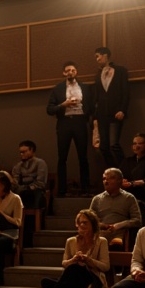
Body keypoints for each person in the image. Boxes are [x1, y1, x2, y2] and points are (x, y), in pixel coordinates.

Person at [41, 209, 109, 288]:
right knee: (54, 277)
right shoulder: (71, 241)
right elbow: (64, 263)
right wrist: (73, 259)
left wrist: (89, 260)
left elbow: (105, 266)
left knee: (69, 274)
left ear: (93, 224)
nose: (82, 225)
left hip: (92, 278)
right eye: (80, 222)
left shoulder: (101, 242)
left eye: (85, 222)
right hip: (73, 280)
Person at [46, 61, 95, 196]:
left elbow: (91, 106)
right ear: (64, 73)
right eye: (67, 70)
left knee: (83, 157)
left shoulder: (85, 88)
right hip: (64, 123)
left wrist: (85, 112)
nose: (70, 72)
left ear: (76, 72)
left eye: (73, 70)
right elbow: (49, 109)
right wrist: (63, 104)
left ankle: (85, 188)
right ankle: (61, 190)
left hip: (80, 122)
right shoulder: (58, 89)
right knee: (62, 158)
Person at [92, 47, 129, 168]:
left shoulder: (120, 70)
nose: (97, 59)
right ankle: (113, 172)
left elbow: (125, 91)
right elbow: (97, 96)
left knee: (114, 145)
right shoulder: (98, 74)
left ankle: (125, 171)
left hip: (116, 112)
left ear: (106, 55)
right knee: (103, 147)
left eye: (98, 56)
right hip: (102, 114)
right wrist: (95, 117)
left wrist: (123, 110)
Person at [89, 167, 142, 249]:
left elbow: (137, 220)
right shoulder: (97, 199)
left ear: (119, 180)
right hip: (100, 234)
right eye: (104, 179)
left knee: (116, 243)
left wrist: (118, 225)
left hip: (120, 233)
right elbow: (90, 220)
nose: (106, 182)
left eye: (110, 178)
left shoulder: (129, 198)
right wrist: (103, 226)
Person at [118, 133, 145, 205]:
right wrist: (122, 180)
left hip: (143, 198)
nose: (136, 146)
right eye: (134, 143)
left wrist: (134, 183)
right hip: (125, 196)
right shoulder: (126, 161)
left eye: (140, 143)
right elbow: (120, 175)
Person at [11, 140, 48, 210]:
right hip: (21, 190)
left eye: (24, 152)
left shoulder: (40, 163)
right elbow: (16, 179)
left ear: (32, 150)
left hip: (34, 190)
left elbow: (41, 182)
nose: (22, 154)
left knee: (29, 193)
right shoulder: (18, 165)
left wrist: (28, 187)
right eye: (20, 152)